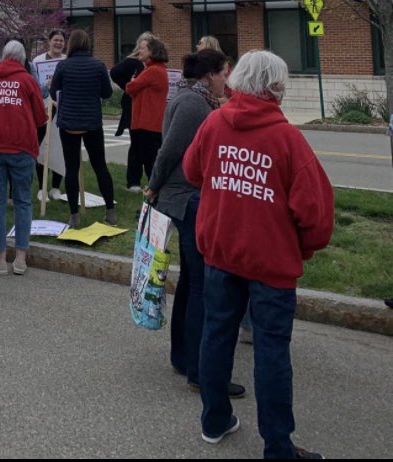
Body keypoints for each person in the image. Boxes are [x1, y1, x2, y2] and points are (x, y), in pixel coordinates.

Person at [183, 50, 334, 459]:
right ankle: (278, 447)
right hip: (270, 262)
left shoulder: (215, 122)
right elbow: (315, 214)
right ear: (275, 88)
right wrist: (304, 248)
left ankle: (215, 420)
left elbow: (192, 171)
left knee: (217, 335)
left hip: (220, 251)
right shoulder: (287, 140)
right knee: (271, 351)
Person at [145, 50, 244, 398]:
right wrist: (154, 185)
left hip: (184, 196)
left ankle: (183, 357)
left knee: (190, 282)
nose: (225, 81)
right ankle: (200, 371)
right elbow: (169, 150)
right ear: (209, 75)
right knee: (200, 285)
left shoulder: (194, 98)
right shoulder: (192, 104)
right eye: (222, 74)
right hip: (185, 199)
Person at [0, 41, 48, 276]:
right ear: (23, 59)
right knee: (23, 201)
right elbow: (40, 117)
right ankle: (21, 259)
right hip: (22, 148)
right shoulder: (27, 80)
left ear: (3, 56)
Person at [49, 29, 116, 228]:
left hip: (69, 123)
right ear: (88, 45)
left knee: (71, 168)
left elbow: (54, 92)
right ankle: (110, 211)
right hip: (92, 122)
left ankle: (74, 215)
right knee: (100, 166)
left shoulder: (63, 65)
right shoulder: (98, 65)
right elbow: (107, 93)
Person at [124, 34, 169, 191]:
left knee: (149, 159)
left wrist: (133, 81)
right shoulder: (155, 69)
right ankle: (152, 187)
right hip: (147, 121)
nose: (139, 51)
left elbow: (130, 88)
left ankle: (154, 189)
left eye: (143, 48)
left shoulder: (153, 71)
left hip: (147, 122)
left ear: (152, 51)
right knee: (148, 156)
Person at [31, 28, 66, 200]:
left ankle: (55, 187)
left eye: (61, 40)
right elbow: (33, 85)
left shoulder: (66, 61)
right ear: (49, 42)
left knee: (58, 148)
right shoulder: (37, 61)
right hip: (43, 110)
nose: (58, 43)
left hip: (62, 110)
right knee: (42, 148)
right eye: (55, 40)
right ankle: (41, 187)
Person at [110, 31, 151, 144]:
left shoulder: (148, 63)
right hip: (132, 103)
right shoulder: (133, 61)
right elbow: (114, 72)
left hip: (143, 103)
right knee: (137, 141)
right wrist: (128, 86)